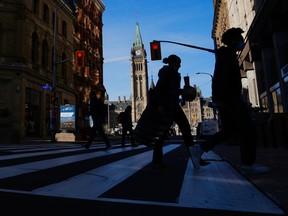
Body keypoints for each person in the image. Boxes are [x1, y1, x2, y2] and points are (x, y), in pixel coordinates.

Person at [199, 27, 270, 174]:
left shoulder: (227, 55)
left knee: (229, 130)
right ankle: (248, 164)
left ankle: (199, 149)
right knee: (248, 129)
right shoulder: (226, 56)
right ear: (233, 41)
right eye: (240, 40)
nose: (242, 42)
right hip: (229, 99)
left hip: (226, 99)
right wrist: (219, 100)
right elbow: (218, 79)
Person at [148, 54, 202, 169]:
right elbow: (160, 89)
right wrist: (161, 104)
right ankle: (157, 162)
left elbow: (171, 90)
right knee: (165, 133)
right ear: (173, 62)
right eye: (179, 63)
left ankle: (196, 158)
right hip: (168, 106)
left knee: (184, 130)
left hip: (173, 105)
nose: (180, 65)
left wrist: (183, 91)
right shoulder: (167, 72)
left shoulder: (171, 72)